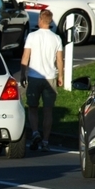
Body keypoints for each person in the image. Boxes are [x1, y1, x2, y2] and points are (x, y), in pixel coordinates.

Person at [20, 9, 64, 152]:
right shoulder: (56, 38)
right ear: (50, 21)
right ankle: (45, 141)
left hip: (34, 76)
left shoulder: (32, 36)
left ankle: (35, 132)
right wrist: (61, 76)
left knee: (32, 108)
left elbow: (25, 57)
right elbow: (59, 60)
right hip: (50, 77)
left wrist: (22, 75)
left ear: (40, 19)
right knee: (48, 111)